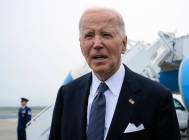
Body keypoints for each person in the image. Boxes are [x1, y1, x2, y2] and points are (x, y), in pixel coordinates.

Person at [49, 7, 180, 140]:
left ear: (124, 44)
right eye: (89, 35)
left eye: (106, 35)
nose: (97, 44)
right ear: (81, 45)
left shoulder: (157, 97)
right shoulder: (66, 96)